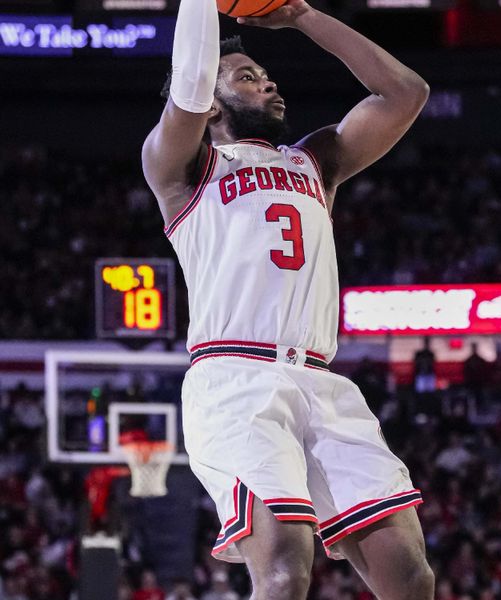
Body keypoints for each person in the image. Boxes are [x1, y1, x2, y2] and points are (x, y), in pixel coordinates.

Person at [141, 1, 433, 598]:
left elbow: (405, 93)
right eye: (247, 76)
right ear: (214, 105)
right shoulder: (184, 167)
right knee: (283, 568)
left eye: (266, 74)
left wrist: (302, 15)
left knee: (408, 575)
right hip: (236, 379)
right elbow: (191, 87)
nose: (268, 81)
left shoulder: (314, 160)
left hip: (322, 381)